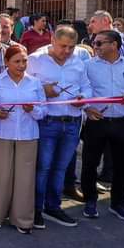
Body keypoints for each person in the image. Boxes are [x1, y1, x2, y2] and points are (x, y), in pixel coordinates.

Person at [26, 26, 91, 228]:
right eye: (63, 46)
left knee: (61, 168)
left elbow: (87, 87)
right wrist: (42, 91)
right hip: (47, 122)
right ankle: (36, 209)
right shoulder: (36, 59)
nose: (66, 51)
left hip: (72, 123)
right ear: (53, 40)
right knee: (43, 168)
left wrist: (84, 100)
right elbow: (24, 86)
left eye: (71, 47)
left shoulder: (79, 62)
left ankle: (53, 206)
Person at [81, 30, 124, 222]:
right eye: (95, 43)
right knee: (90, 163)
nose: (96, 46)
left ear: (115, 44)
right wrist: (86, 108)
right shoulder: (87, 66)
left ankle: (118, 203)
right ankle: (90, 200)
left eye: (100, 43)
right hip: (96, 122)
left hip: (123, 123)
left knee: (122, 165)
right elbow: (79, 92)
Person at [0, 44, 46, 234]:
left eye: (24, 61)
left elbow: (43, 111)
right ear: (6, 62)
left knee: (25, 178)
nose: (21, 65)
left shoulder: (35, 83)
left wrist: (33, 110)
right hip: (1, 133)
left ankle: (22, 220)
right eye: (17, 61)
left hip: (28, 135)